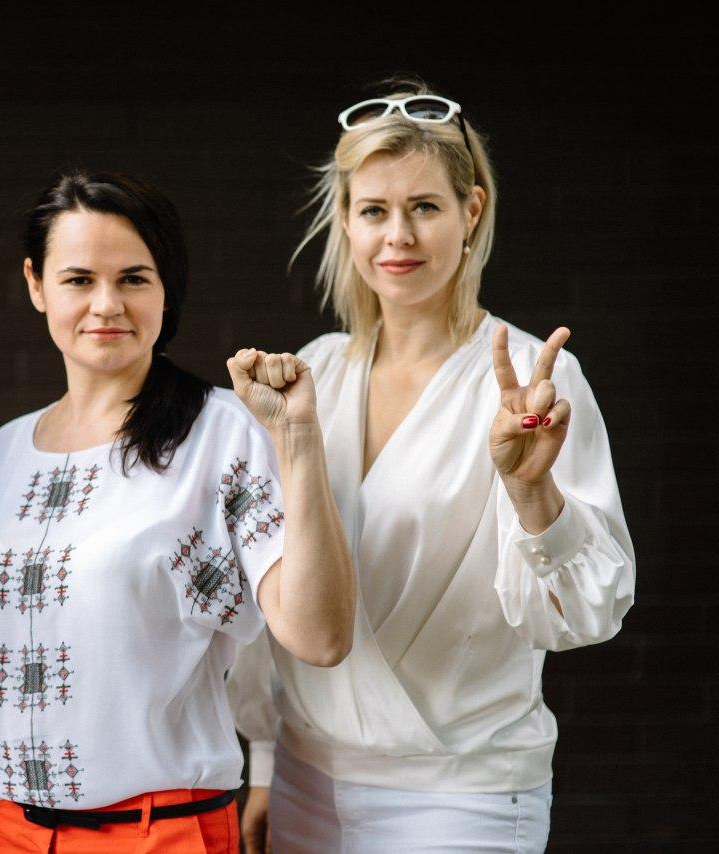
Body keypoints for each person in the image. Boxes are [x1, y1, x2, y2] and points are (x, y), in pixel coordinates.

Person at [228, 83, 636, 852]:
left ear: (471, 210)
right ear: (346, 221)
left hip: (463, 793)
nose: (398, 237)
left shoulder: (533, 383)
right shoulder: (318, 374)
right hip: (306, 783)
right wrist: (265, 761)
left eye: (424, 207)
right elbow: (274, 585)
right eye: (374, 211)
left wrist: (531, 490)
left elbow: (586, 615)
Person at [0, 171, 356, 853]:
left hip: (155, 833)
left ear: (165, 287)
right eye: (79, 279)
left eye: (134, 279)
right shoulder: (8, 450)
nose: (107, 304)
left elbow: (320, 637)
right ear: (36, 284)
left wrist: (296, 441)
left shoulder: (221, 433)